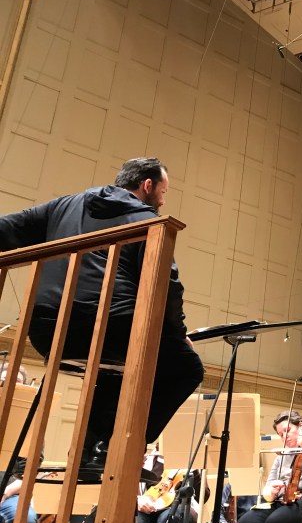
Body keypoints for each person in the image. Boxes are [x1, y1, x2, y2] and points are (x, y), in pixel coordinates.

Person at [0, 158, 204, 472]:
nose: (163, 201)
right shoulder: (145, 220)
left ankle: (91, 450)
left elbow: (8, 228)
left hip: (45, 331)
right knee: (186, 368)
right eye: (163, 192)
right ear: (146, 186)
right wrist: (178, 336)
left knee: (111, 369)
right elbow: (167, 287)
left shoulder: (65, 205)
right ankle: (119, 446)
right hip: (110, 329)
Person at [0, 362, 37, 523]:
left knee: (25, 520)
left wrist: (5, 492)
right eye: (5, 380)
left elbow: (29, 473)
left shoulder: (30, 426)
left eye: (18, 383)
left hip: (9, 493)